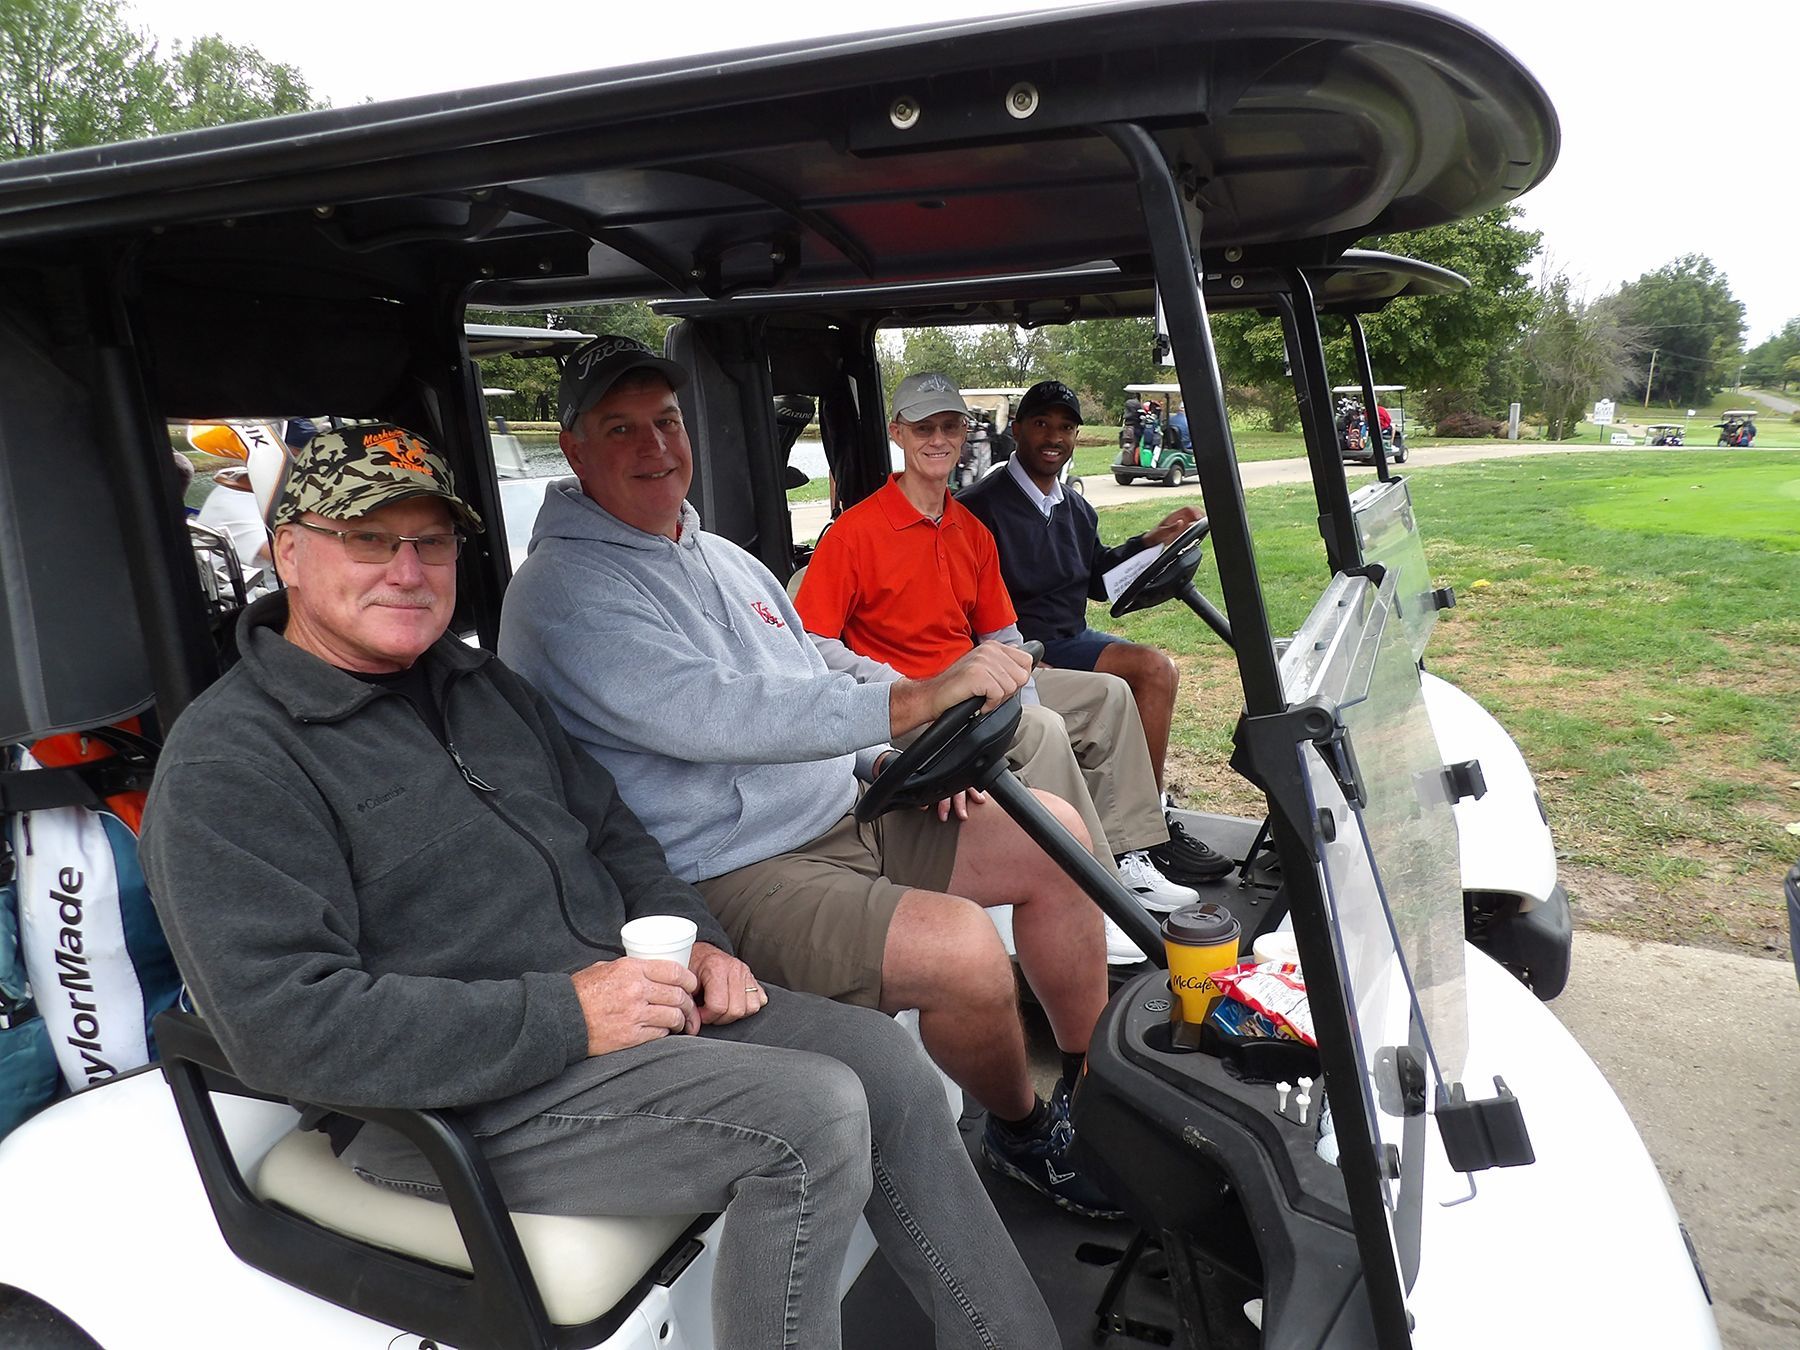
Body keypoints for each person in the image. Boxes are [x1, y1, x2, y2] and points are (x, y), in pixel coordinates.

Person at [140, 423, 1059, 1347]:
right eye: (369, 539)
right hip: (452, 1099)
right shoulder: (234, 759)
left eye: (431, 541)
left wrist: (695, 936)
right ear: (290, 554)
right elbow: (286, 1027)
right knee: (809, 1119)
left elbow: (617, 836)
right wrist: (569, 1015)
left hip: (620, 1016)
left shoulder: (480, 688)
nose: (408, 569)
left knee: (884, 1065)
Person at [500, 336, 1126, 1218]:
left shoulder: (724, 558)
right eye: (622, 428)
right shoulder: (562, 592)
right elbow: (719, 712)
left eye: (668, 422)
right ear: (574, 450)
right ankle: (1023, 1134)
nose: (656, 448)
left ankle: (1102, 1094)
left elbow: (815, 677)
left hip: (844, 810)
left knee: (1053, 832)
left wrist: (892, 755)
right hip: (731, 870)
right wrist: (913, 702)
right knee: (962, 952)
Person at [794, 372, 1217, 906]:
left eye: (950, 426)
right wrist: (904, 687)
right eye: (924, 428)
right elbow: (811, 643)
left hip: (972, 687)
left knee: (1107, 695)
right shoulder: (854, 533)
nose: (939, 440)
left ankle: (1132, 853)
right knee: (1039, 729)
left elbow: (1002, 632)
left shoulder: (969, 530)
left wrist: (1018, 690)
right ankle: (1093, 892)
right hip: (905, 705)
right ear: (897, 434)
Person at [957, 380, 1230, 880]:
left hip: (1070, 636)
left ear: (1076, 436)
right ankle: (1146, 832)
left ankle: (1146, 819)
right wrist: (1003, 654)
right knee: (1151, 669)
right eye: (1041, 424)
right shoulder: (982, 506)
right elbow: (964, 595)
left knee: (1156, 670)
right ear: (1017, 429)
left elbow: (1097, 581)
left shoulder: (1076, 508)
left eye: (1065, 427)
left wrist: (1151, 541)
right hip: (1026, 647)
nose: (1053, 437)